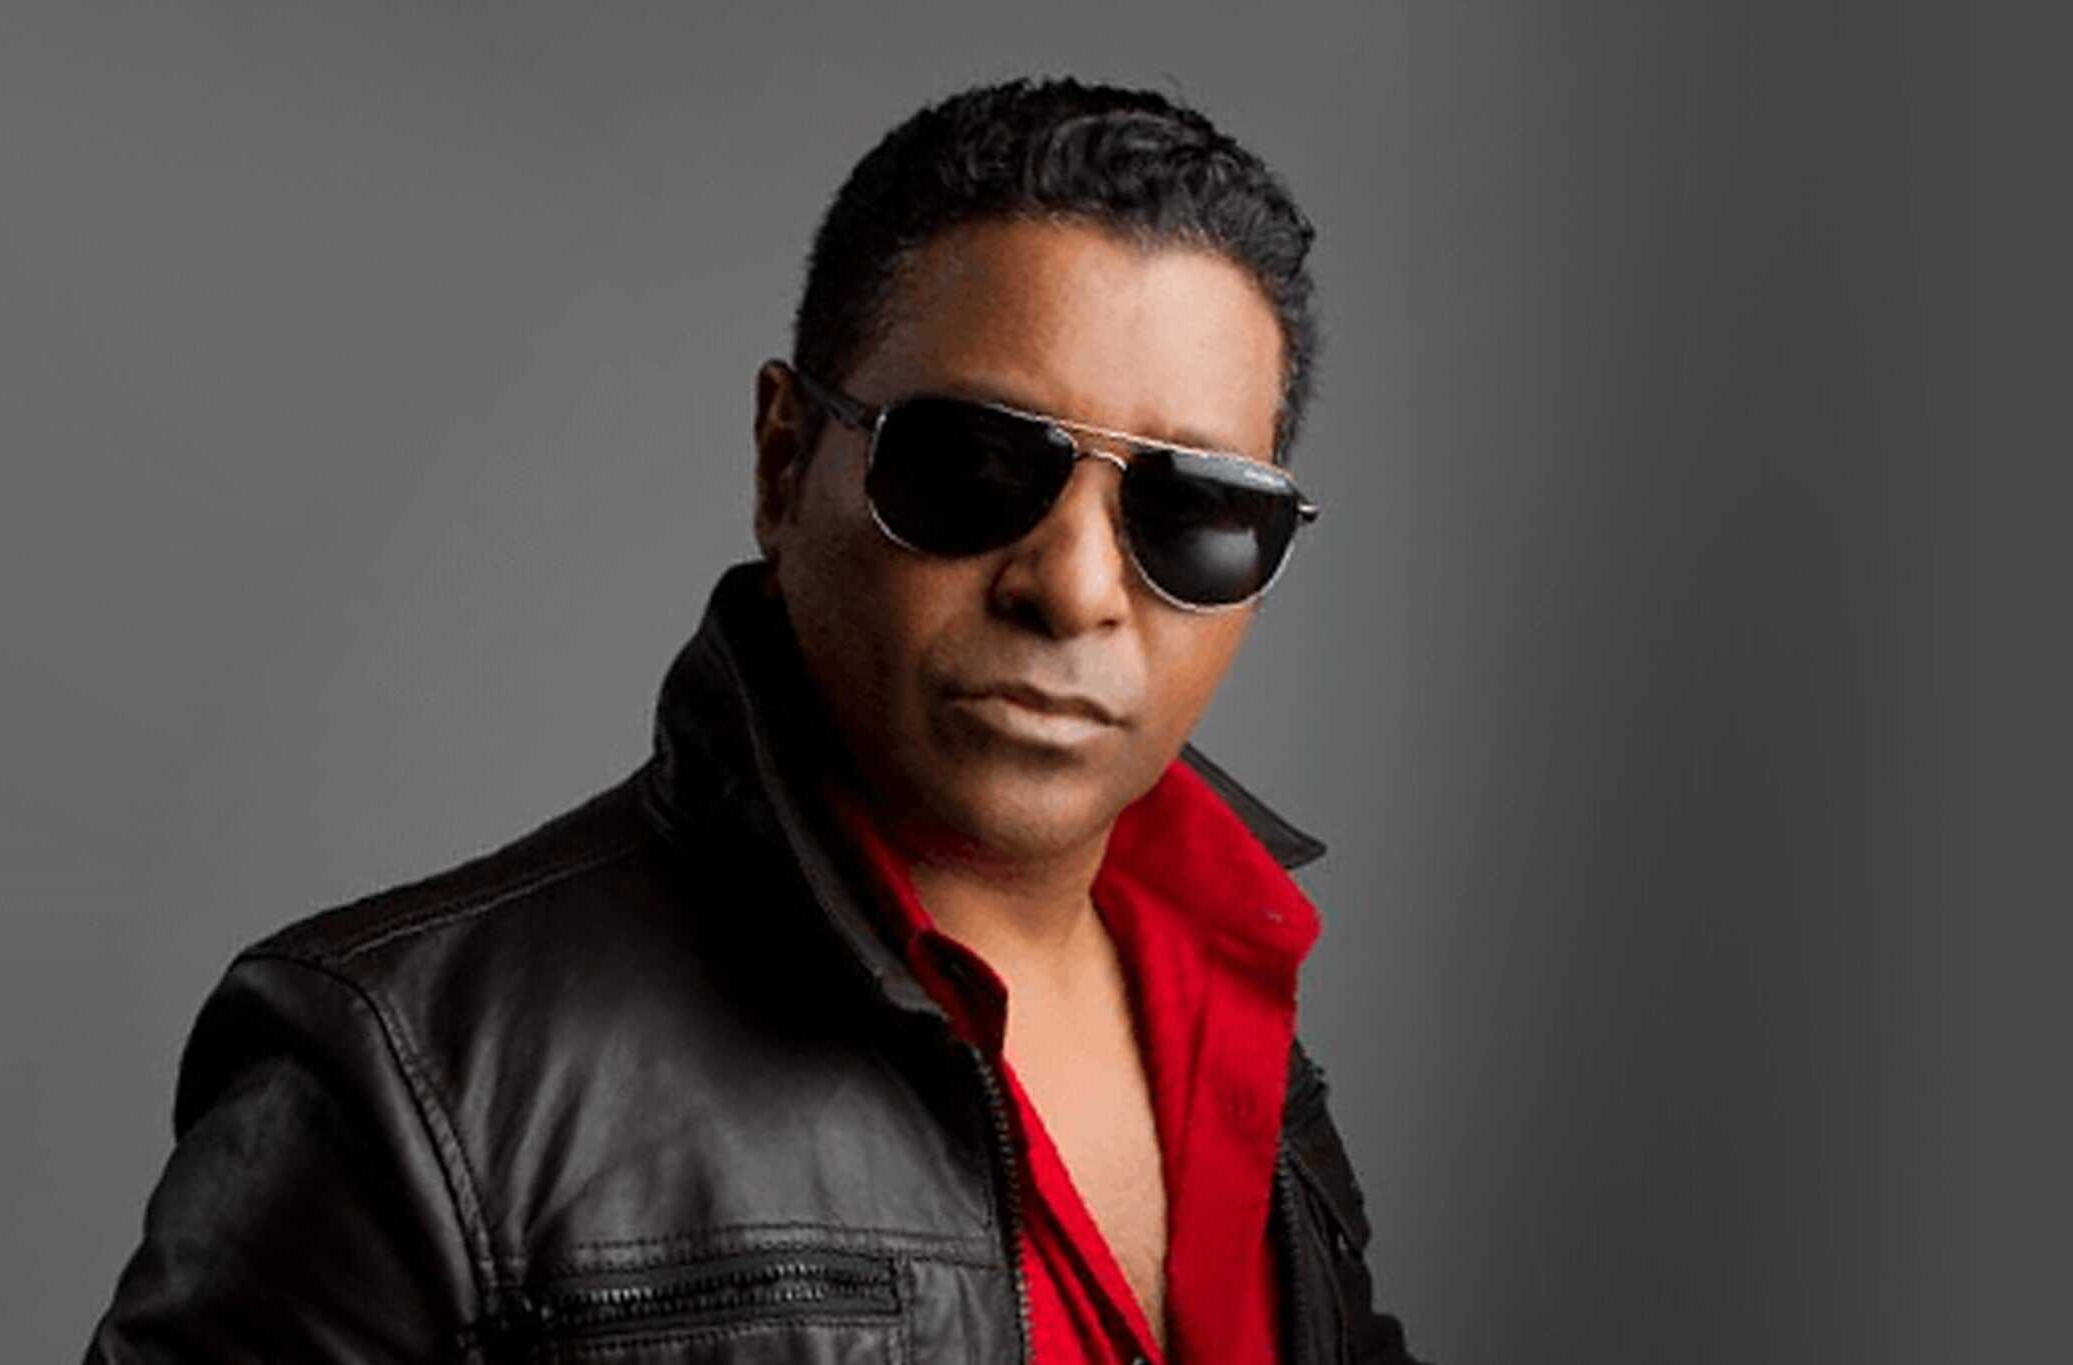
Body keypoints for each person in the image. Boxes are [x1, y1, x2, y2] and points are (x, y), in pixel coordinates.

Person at [87, 77, 1425, 1365]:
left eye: (1194, 512)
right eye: (970, 465)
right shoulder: (401, 1079)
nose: (1073, 589)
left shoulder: (1239, 1009)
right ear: (785, 462)